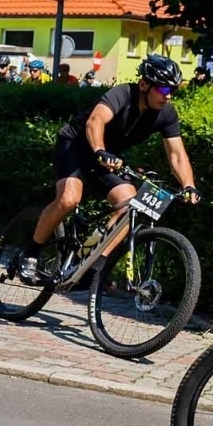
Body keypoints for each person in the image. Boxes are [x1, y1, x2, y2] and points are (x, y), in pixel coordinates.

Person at [16, 54, 199, 284]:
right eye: (163, 90)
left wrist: (188, 185)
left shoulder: (166, 113)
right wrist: (100, 150)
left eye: (173, 90)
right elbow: (96, 121)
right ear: (144, 85)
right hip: (76, 145)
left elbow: (177, 154)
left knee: (130, 205)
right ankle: (31, 254)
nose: (168, 96)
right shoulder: (122, 94)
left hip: (107, 157)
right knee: (69, 199)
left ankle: (94, 268)